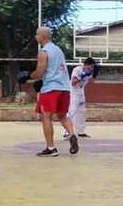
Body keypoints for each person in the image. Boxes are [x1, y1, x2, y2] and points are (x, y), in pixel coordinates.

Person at [18, 27, 79, 157]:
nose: (35, 37)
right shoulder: (58, 50)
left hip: (51, 88)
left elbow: (40, 72)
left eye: (37, 34)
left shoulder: (43, 52)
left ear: (43, 36)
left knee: (46, 116)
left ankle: (51, 148)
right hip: (64, 87)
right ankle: (72, 135)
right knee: (62, 115)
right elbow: (56, 69)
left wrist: (28, 76)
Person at [63, 57, 99, 139]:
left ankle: (80, 132)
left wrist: (95, 74)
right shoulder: (77, 70)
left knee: (82, 111)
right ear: (86, 65)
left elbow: (91, 81)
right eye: (91, 66)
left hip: (81, 91)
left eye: (93, 67)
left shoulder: (90, 71)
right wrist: (82, 77)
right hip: (73, 92)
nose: (92, 68)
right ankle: (67, 132)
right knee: (72, 111)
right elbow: (73, 83)